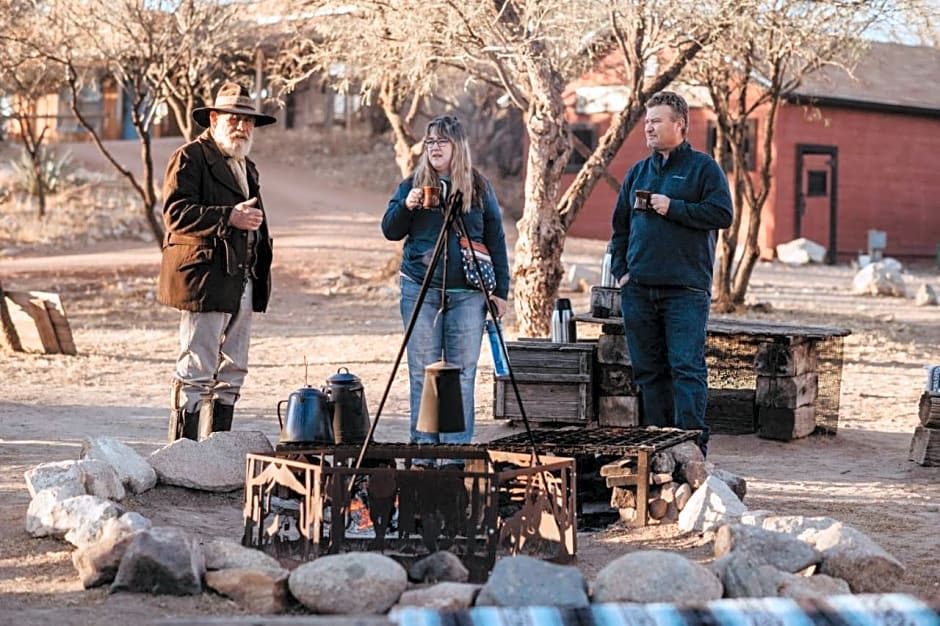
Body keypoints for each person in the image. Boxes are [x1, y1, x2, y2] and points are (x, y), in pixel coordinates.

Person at [608, 91, 733, 456]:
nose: (648, 126)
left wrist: (673, 207)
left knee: (686, 369)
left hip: (685, 290)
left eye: (656, 120)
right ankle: (655, 448)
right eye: (647, 121)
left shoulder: (703, 169)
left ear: (679, 125)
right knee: (648, 373)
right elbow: (619, 230)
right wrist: (623, 273)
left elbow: (722, 214)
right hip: (639, 291)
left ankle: (692, 449)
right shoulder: (637, 173)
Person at [382, 115, 510, 462]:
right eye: (430, 142)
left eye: (442, 141)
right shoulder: (414, 184)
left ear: (458, 147)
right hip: (419, 290)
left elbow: (496, 238)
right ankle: (424, 455)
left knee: (462, 374)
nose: (435, 148)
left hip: (468, 293)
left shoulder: (479, 188)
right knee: (421, 372)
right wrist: (405, 205)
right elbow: (390, 230)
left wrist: (501, 291)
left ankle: (455, 455)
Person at [157, 81, 277, 441]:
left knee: (233, 369)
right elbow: (175, 215)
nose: (242, 127)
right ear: (213, 118)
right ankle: (182, 453)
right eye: (234, 119)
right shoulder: (189, 157)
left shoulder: (246, 166)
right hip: (206, 279)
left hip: (242, 277)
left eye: (248, 121)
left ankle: (216, 450)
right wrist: (229, 217)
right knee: (196, 367)